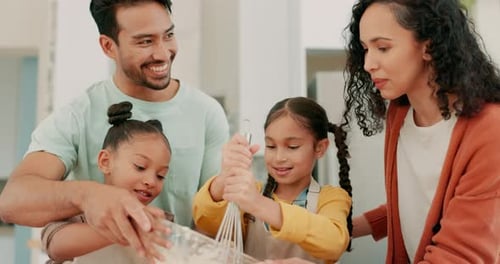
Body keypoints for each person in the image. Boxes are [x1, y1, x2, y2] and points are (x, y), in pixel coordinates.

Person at [0, 0, 229, 258]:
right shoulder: (78, 115)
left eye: (168, 35)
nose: (163, 53)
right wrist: (89, 195)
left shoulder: (207, 113)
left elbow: (216, 228)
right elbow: (12, 202)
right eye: (145, 41)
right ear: (109, 46)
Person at [342, 0, 500, 263]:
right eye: (365, 49)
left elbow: (458, 256)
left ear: (428, 46)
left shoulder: (490, 129)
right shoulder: (400, 114)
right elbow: (419, 206)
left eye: (382, 47)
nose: (368, 63)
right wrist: (331, 230)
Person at [193, 97, 353, 263]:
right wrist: (223, 179)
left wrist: (259, 204)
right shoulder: (252, 193)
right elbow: (206, 222)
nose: (279, 157)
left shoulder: (331, 198)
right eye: (270, 146)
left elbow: (334, 242)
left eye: (292, 147)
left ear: (319, 148)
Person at [42, 101, 173, 264]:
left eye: (160, 176)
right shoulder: (80, 213)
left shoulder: (160, 223)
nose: (150, 181)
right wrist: (127, 227)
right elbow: (56, 246)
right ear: (105, 162)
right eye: (140, 167)